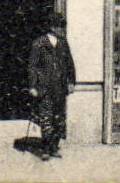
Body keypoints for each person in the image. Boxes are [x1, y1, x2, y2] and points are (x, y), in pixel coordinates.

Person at [27, 12, 76, 161]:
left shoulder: (63, 43)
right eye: (59, 26)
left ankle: (54, 147)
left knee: (59, 118)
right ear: (51, 27)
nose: (62, 29)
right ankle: (45, 149)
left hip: (60, 88)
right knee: (46, 118)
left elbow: (69, 64)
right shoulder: (39, 43)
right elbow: (32, 67)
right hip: (45, 88)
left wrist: (71, 82)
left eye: (63, 26)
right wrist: (32, 86)